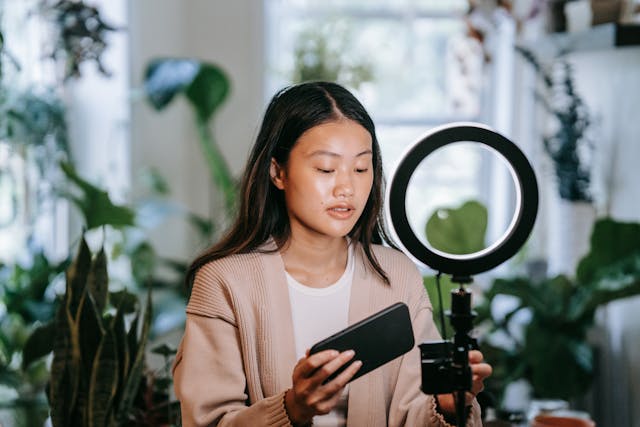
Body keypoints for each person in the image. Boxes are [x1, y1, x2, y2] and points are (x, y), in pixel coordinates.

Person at [173, 81, 492, 427]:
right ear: (278, 171)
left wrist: (446, 405)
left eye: (360, 168)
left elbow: (413, 412)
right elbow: (207, 421)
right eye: (326, 169)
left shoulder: (396, 275)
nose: (346, 188)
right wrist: (293, 408)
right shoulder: (224, 283)